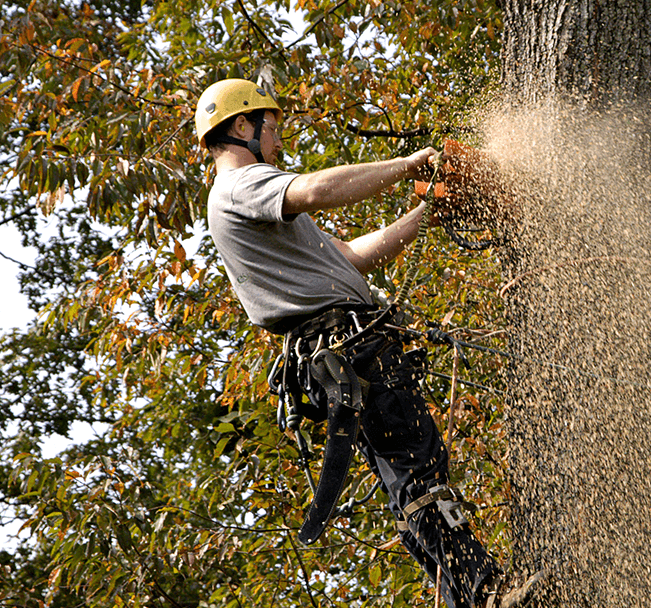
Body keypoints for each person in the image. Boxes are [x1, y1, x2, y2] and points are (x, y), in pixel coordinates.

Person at [195, 78, 541, 608]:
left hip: (346, 354)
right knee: (418, 473)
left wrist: (430, 207)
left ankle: (472, 598)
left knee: (412, 480)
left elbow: (353, 257)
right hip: (347, 348)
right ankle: (484, 592)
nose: (279, 138)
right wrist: (408, 166)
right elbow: (313, 188)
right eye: (273, 126)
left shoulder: (252, 206)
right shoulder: (243, 186)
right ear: (243, 126)